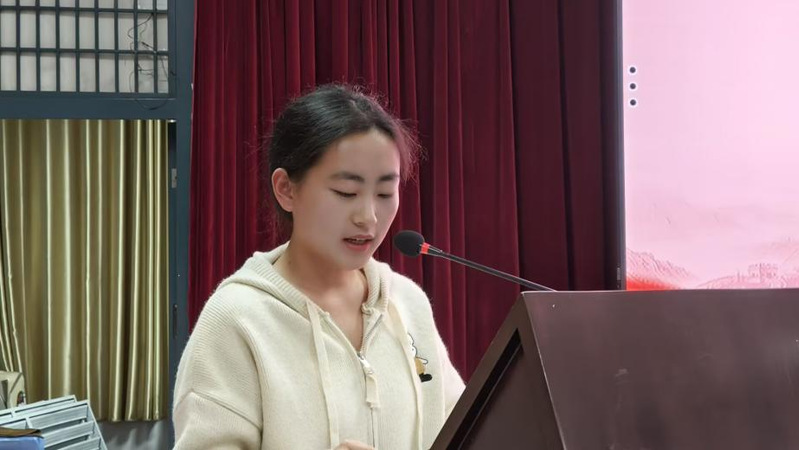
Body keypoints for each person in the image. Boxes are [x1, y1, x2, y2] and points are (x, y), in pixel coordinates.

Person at [172, 84, 465, 449]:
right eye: (346, 192)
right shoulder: (236, 319)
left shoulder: (408, 304)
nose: (368, 217)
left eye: (384, 193)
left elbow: (467, 430)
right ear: (286, 189)